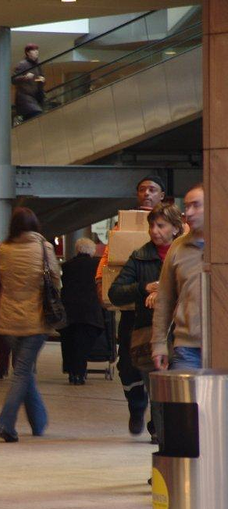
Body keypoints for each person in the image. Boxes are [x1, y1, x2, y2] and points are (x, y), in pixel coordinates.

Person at [96, 175, 167, 434]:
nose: (146, 194)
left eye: (152, 190)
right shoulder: (122, 232)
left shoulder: (181, 240)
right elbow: (107, 265)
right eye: (142, 189)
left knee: (162, 371)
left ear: (162, 196)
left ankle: (158, 425)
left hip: (169, 319)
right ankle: (137, 406)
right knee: (129, 365)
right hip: (133, 314)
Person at [109, 203, 183, 434]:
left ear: (175, 228)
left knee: (169, 385)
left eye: (161, 225)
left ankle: (159, 429)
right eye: (152, 225)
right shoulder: (140, 257)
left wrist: (164, 292)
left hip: (181, 331)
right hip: (145, 329)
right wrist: (144, 288)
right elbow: (116, 292)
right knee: (145, 378)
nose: (154, 230)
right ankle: (141, 412)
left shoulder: (186, 254)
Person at [0, 208, 60, 443]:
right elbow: (55, 279)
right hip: (35, 319)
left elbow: (2, 279)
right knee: (22, 371)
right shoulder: (44, 247)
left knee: (24, 370)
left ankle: (39, 422)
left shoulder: (4, 249)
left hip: (9, 318)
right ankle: (5, 422)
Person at [152, 184, 205, 371]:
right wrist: (158, 344)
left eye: (196, 206)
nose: (188, 213)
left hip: (222, 345)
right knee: (186, 401)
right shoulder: (178, 247)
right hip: (186, 347)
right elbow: (164, 299)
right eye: (187, 206)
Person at [60, 238, 104, 385]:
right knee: (83, 343)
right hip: (90, 310)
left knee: (71, 341)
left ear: (77, 250)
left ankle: (72, 372)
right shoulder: (97, 265)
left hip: (70, 310)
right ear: (92, 251)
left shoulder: (67, 266)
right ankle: (79, 372)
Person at [13, 44, 45, 121]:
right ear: (28, 53)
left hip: (36, 97)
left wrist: (42, 80)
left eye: (37, 50)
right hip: (25, 97)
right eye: (33, 50)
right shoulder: (22, 64)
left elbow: (39, 78)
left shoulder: (38, 65)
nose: (36, 52)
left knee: (31, 119)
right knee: (36, 114)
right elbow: (13, 79)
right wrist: (25, 77)